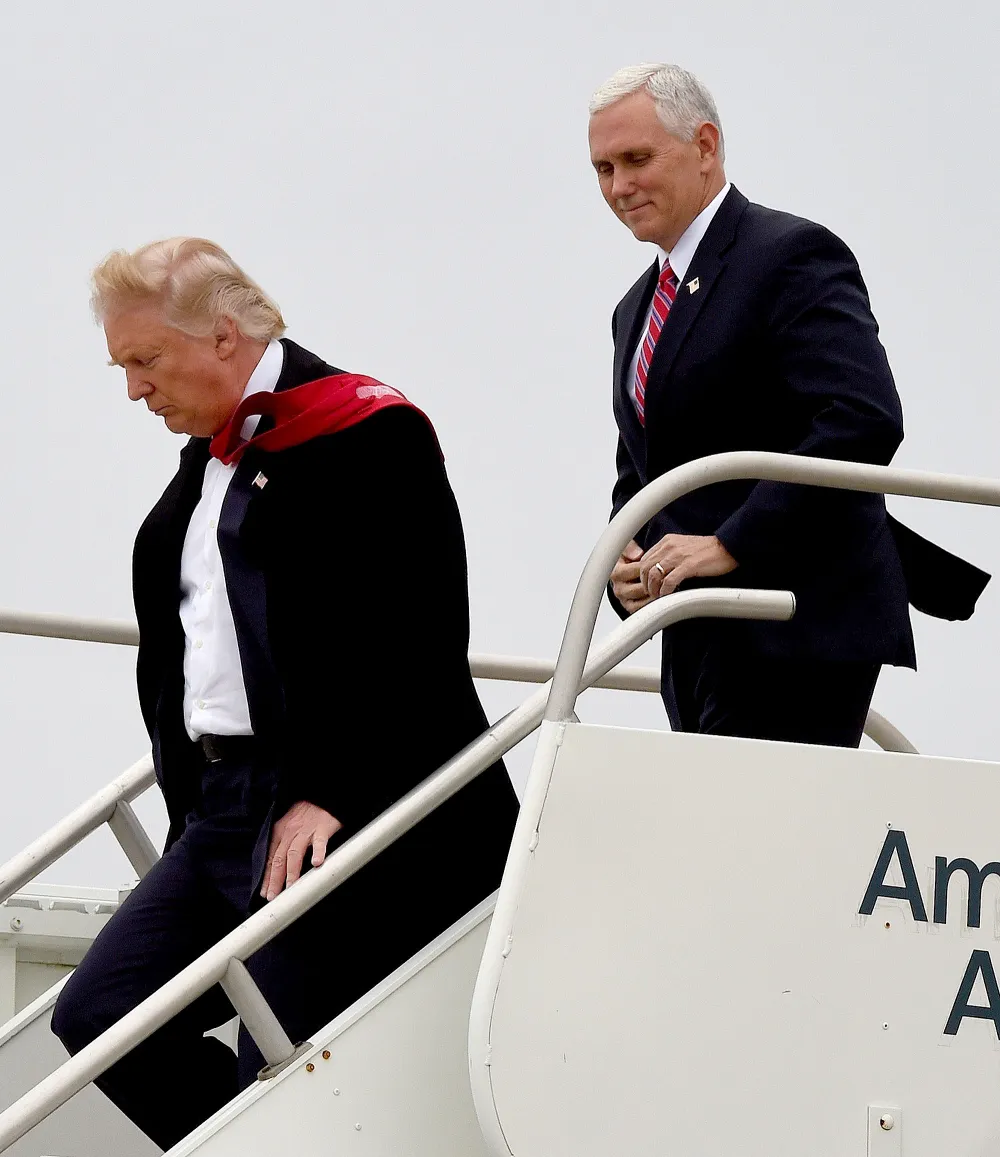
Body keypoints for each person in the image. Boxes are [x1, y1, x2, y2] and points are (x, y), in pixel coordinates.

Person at [50, 237, 518, 1149]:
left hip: (337, 799)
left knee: (284, 1044)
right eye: (123, 368)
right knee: (102, 1015)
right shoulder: (205, 461)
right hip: (223, 808)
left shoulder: (368, 432)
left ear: (224, 335)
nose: (134, 390)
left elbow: (416, 640)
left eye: (145, 360)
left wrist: (328, 789)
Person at [589, 62, 989, 746]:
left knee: (746, 839)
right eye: (602, 168)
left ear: (706, 146)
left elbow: (862, 416)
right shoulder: (635, 310)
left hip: (797, 618)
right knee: (711, 839)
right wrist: (625, 559)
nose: (620, 186)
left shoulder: (789, 255)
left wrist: (730, 543)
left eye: (636, 159)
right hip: (694, 628)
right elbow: (646, 468)